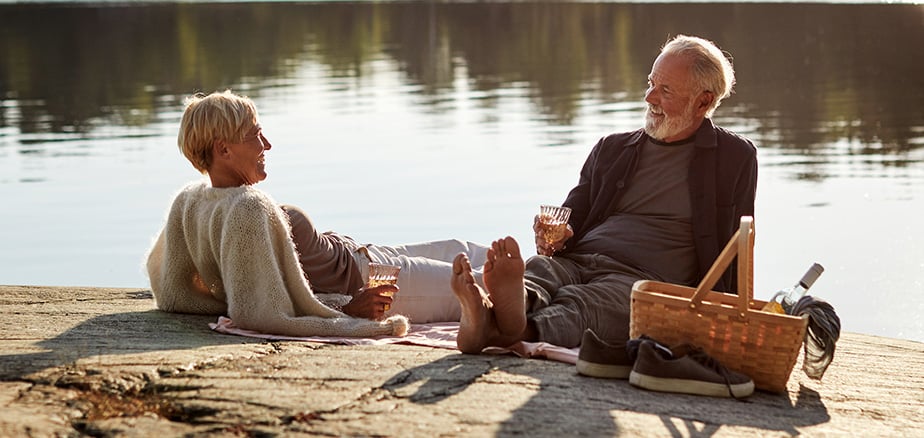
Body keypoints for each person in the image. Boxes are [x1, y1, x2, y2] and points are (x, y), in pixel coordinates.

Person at [450, 35, 758, 353]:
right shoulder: (613, 147)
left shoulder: (733, 157)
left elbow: (739, 244)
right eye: (651, 84)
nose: (650, 97)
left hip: (645, 279)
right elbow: (575, 210)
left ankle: (501, 326)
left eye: (666, 90)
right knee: (543, 270)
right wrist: (558, 233)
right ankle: (509, 306)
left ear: (703, 102)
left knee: (589, 304)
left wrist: (732, 315)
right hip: (581, 257)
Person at [146, 90, 488, 338]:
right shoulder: (244, 210)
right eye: (255, 135)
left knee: (466, 248)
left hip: (362, 254)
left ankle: (544, 258)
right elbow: (260, 308)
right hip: (372, 284)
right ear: (223, 149)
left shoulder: (192, 200)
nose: (267, 144)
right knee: (489, 285)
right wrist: (347, 309)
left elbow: (171, 283)